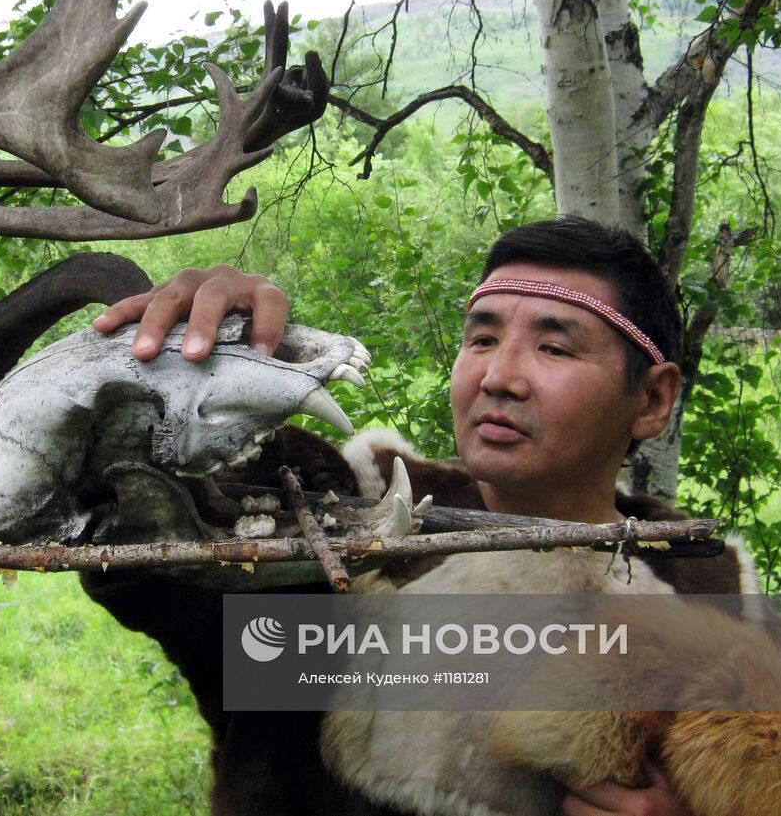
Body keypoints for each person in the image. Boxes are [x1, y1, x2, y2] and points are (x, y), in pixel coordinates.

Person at [85, 219, 718, 816]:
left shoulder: (710, 605)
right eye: (482, 339)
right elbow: (132, 521)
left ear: (653, 399)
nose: (498, 377)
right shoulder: (321, 528)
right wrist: (178, 365)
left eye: (554, 347)